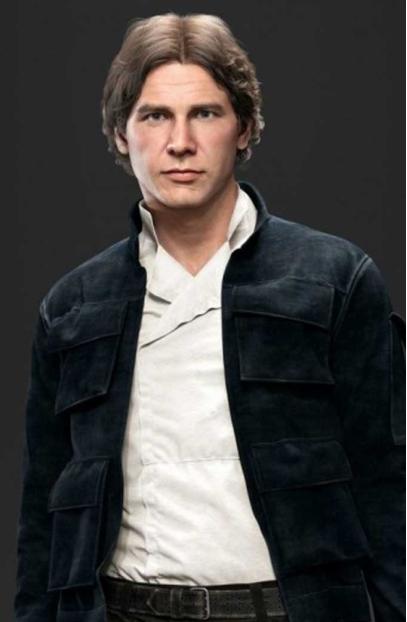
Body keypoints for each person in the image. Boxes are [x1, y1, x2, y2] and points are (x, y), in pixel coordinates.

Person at [14, 12, 405, 622]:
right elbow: (42, 515)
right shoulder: (72, 307)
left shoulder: (335, 279)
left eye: (204, 113)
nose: (180, 142)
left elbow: (389, 485)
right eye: (154, 116)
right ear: (121, 134)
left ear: (243, 128)